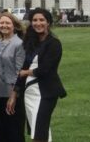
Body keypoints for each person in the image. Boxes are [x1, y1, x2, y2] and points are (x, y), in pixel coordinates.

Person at [15, 8, 66, 142]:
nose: (38, 23)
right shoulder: (30, 42)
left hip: (46, 93)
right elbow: (23, 65)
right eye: (35, 20)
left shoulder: (54, 43)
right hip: (29, 93)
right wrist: (16, 91)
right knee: (36, 131)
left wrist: (26, 73)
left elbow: (45, 70)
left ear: (48, 22)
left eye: (41, 20)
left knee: (40, 131)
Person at [0, 12, 25, 142]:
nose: (4, 25)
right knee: (0, 129)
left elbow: (19, 71)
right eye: (1, 23)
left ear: (14, 26)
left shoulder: (19, 44)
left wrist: (13, 95)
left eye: (7, 23)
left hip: (12, 92)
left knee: (14, 130)